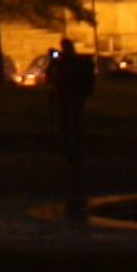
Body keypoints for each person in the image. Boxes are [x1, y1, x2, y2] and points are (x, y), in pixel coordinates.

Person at [43, 38, 97, 221]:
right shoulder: (64, 62)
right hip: (64, 99)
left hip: (71, 99)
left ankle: (75, 157)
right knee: (68, 129)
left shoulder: (74, 63)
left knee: (71, 128)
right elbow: (50, 76)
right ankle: (72, 157)